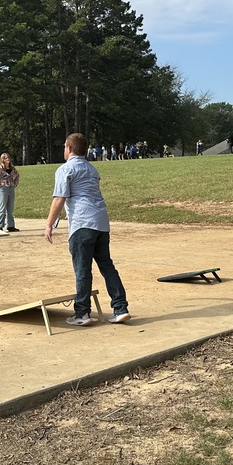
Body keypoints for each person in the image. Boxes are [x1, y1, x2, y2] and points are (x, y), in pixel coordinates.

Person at [45, 132, 131, 326]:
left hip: (82, 223)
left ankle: (82, 312)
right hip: (101, 222)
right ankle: (120, 308)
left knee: (82, 269)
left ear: (69, 149)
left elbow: (59, 199)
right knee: (107, 266)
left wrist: (49, 225)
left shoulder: (65, 169)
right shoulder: (92, 169)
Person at [0, 153, 21, 232]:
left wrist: (15, 183)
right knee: (2, 208)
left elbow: (17, 175)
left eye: (8, 157)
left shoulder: (12, 168)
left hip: (11, 189)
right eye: (5, 158)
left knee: (10, 208)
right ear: (2, 159)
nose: (8, 159)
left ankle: (11, 226)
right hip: (3, 190)